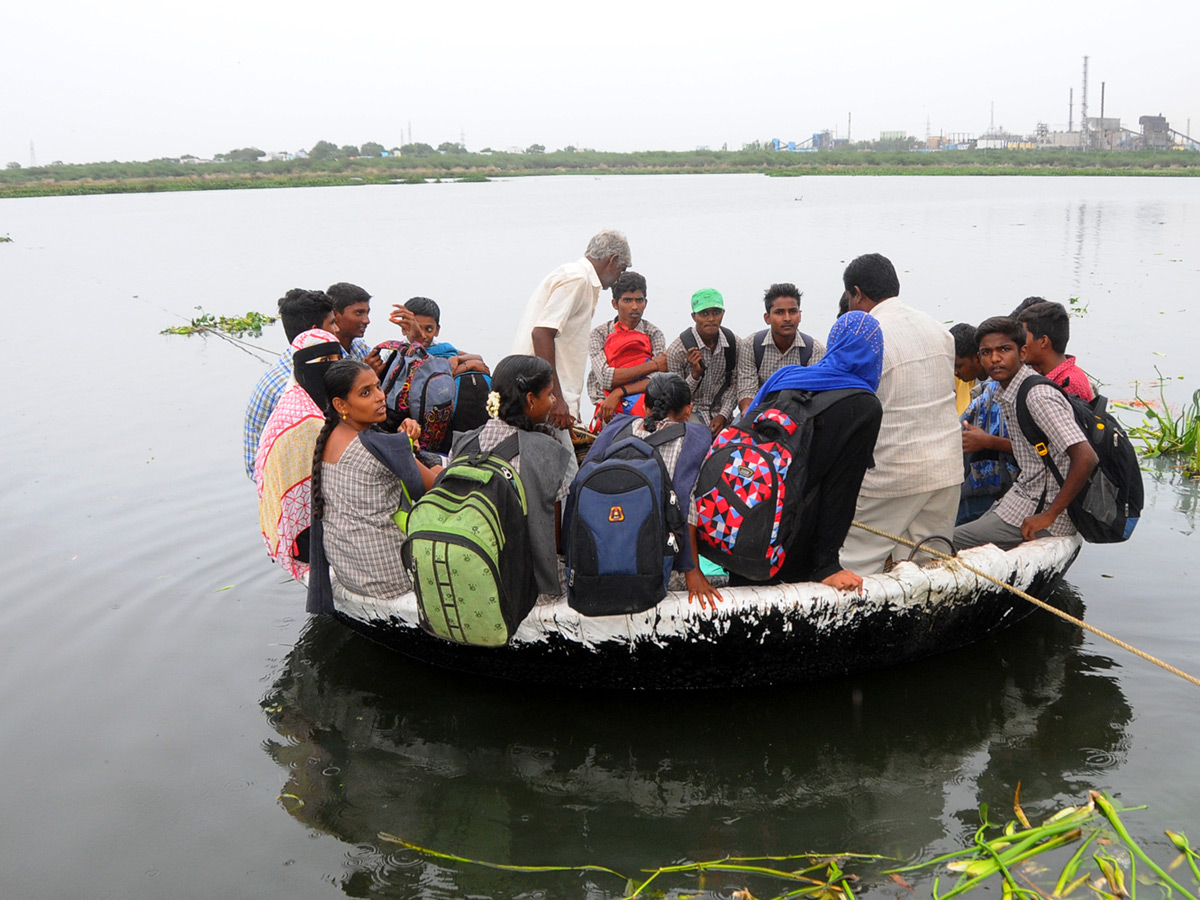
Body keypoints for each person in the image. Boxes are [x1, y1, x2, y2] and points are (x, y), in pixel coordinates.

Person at [837, 253, 962, 575]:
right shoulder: (938, 330)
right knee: (930, 562)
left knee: (854, 563)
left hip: (893, 471)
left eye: (850, 299)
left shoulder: (866, 335)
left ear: (857, 293)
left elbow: (853, 407)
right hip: (946, 467)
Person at [742, 310, 885, 592]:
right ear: (873, 353)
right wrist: (827, 565)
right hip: (793, 537)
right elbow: (841, 489)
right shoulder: (864, 404)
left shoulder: (787, 377)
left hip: (746, 519)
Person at [954, 317, 1098, 550]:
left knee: (948, 541)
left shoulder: (1036, 396)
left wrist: (1049, 515)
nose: (995, 359)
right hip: (1020, 499)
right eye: (986, 352)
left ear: (1022, 353)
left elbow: (1086, 457)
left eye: (1004, 349)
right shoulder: (1008, 392)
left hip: (1042, 510)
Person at [585, 372, 723, 607]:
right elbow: (684, 502)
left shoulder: (616, 429)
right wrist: (692, 571)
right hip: (653, 558)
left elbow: (583, 479)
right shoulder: (694, 440)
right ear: (688, 410)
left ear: (644, 407)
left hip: (602, 550)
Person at [307, 359, 437, 604]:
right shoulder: (379, 448)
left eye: (378, 387)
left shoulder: (328, 438)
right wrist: (418, 454)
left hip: (351, 573)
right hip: (388, 579)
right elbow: (439, 485)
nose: (380, 397)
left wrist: (403, 446)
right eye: (366, 393)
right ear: (340, 405)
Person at [451, 355, 575, 596]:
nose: (553, 402)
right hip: (526, 585)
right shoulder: (546, 450)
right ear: (530, 400)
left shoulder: (464, 441)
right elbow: (554, 540)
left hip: (473, 567)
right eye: (550, 394)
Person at [511, 230, 632, 445]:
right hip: (542, 395)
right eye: (621, 269)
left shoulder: (575, 276)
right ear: (612, 260)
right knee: (567, 474)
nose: (619, 278)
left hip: (539, 392)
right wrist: (556, 399)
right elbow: (541, 334)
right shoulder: (578, 279)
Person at [254, 328, 345, 581]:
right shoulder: (306, 419)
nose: (331, 368)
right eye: (323, 362)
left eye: (336, 360)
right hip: (304, 535)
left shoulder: (299, 397)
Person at [242, 288, 338, 479]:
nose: (337, 329)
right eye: (332, 323)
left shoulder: (308, 364)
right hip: (280, 478)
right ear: (314, 333)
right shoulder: (287, 385)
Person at [585, 271, 667, 428]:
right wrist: (654, 364)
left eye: (639, 300)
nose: (635, 307)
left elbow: (655, 382)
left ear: (646, 302)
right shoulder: (600, 334)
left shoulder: (654, 334)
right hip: (607, 407)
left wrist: (619, 392)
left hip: (646, 409)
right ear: (615, 303)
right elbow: (606, 378)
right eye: (627, 300)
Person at [954, 321, 1017, 526]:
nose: (955, 372)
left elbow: (1028, 449)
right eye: (987, 352)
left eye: (958, 365)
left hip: (998, 490)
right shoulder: (986, 392)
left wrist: (988, 442)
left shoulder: (1004, 391)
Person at [735, 283, 826, 415]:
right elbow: (747, 390)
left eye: (793, 311)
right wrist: (748, 412)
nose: (787, 318)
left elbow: (812, 395)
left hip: (797, 416)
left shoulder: (814, 350)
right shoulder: (751, 345)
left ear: (800, 316)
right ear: (767, 318)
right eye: (779, 312)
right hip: (758, 412)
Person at [664, 288, 740, 437]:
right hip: (690, 412)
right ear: (694, 316)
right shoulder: (677, 350)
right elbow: (676, 398)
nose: (711, 319)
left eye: (716, 312)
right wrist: (694, 375)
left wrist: (723, 415)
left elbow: (735, 384)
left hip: (722, 412)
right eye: (704, 313)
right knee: (698, 442)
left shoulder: (734, 344)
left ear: (723, 314)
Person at [1018, 300, 1094, 402]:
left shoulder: (1069, 384)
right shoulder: (1044, 374)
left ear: (1043, 341)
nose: (1019, 344)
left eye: (1024, 337)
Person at [326, 282, 383, 374]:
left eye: (367, 313)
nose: (366, 320)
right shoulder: (322, 354)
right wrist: (364, 374)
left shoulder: (360, 347)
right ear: (335, 314)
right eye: (359, 313)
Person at [951, 322, 981, 416]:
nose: (955, 372)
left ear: (977, 358)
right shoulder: (959, 378)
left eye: (959, 366)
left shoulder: (993, 386)